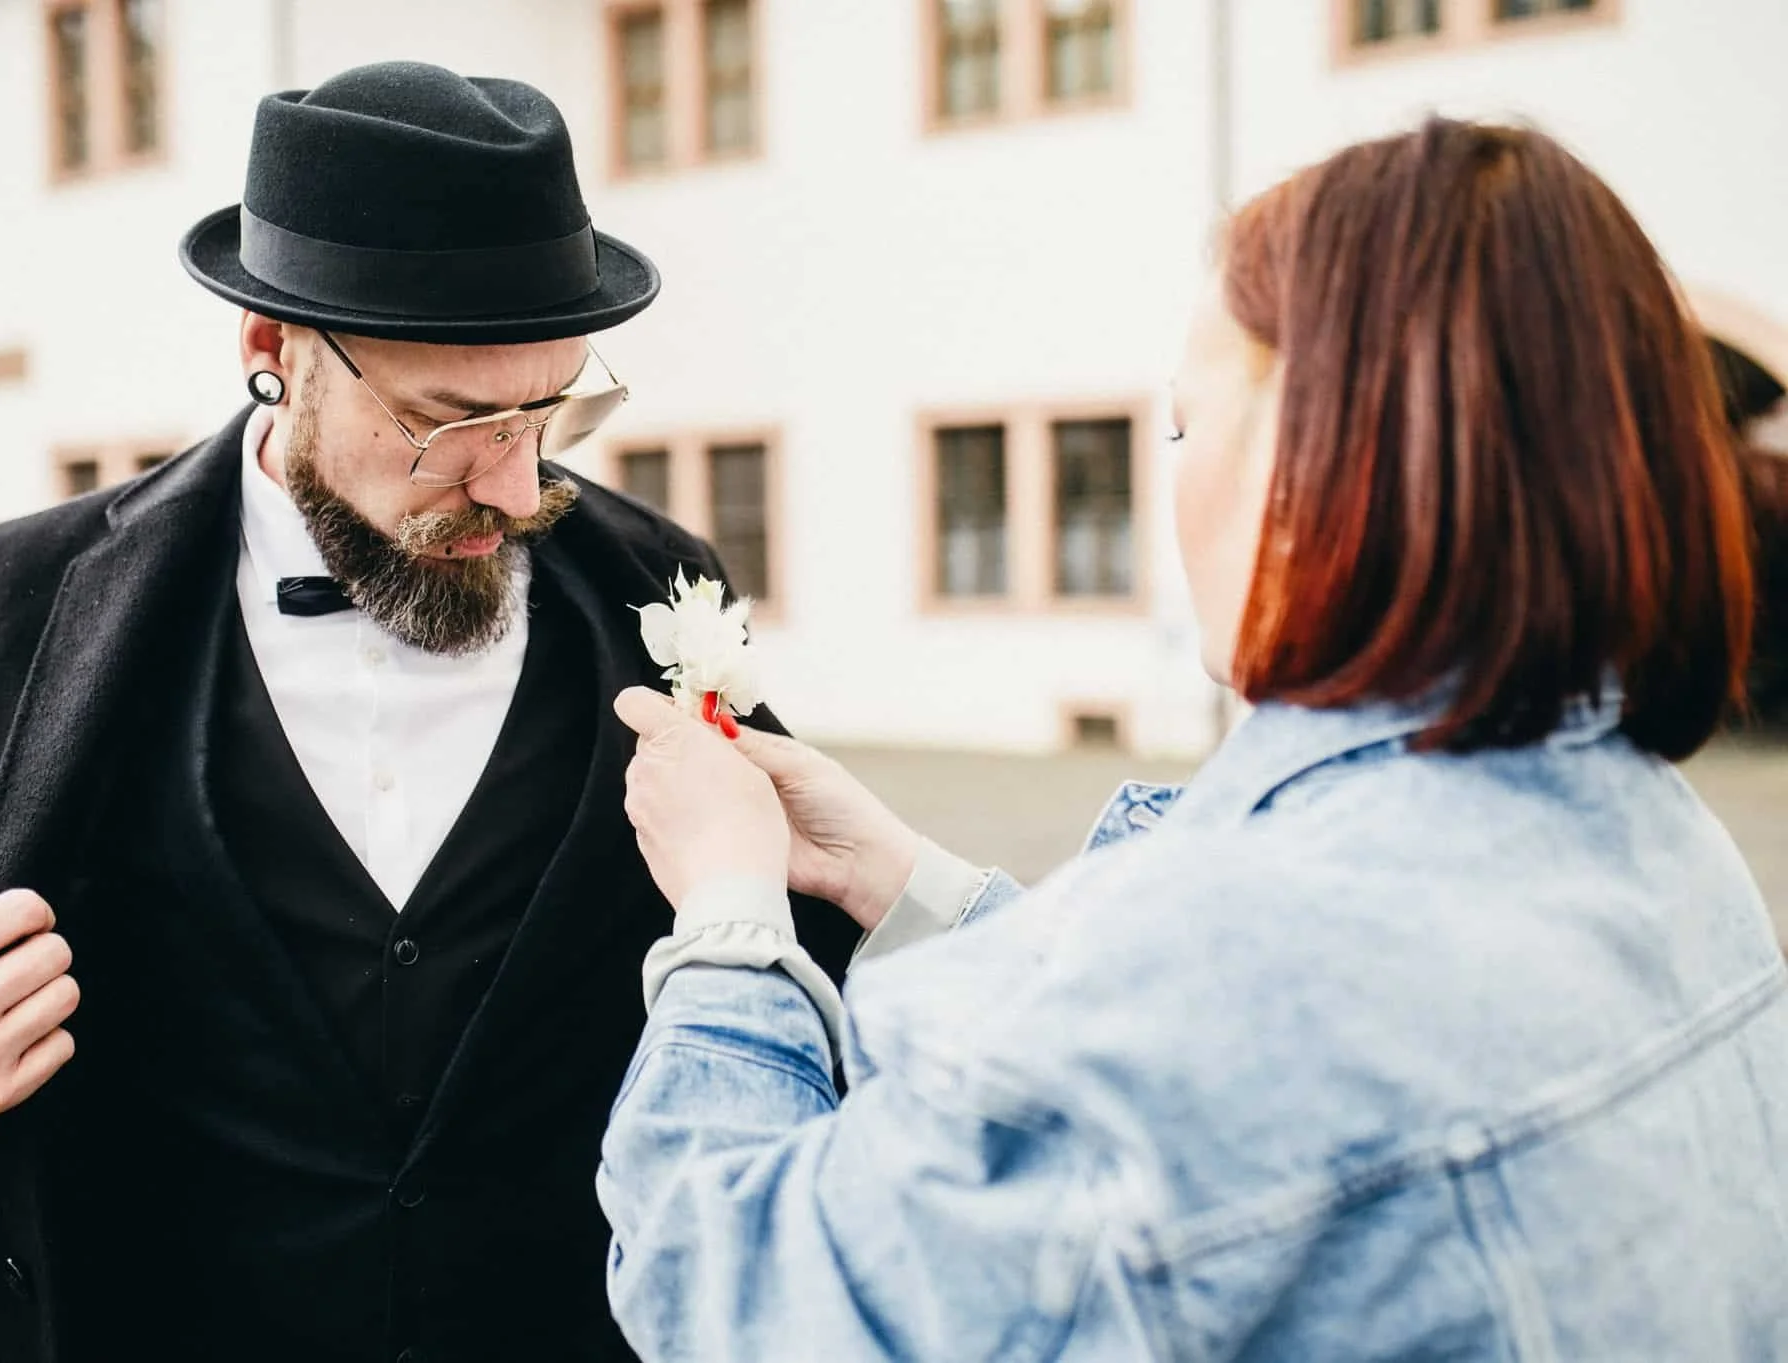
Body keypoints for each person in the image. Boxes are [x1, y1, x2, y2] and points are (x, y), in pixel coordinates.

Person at [598, 118, 1788, 1361]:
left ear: (1317, 452)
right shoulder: (1659, 838)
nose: (1171, 481)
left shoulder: (1235, 967)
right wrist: (906, 882)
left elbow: (735, 1298)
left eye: (1180, 425)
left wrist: (729, 918)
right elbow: (1237, 1123)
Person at [0, 62, 856, 1363]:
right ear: (273, 353)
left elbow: (805, 961)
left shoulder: (659, 581)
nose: (512, 483)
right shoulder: (28, 592)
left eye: (548, 409)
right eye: (452, 422)